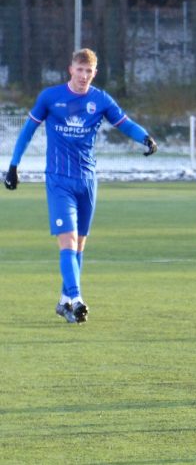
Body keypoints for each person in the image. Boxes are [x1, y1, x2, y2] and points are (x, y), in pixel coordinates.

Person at [3, 48, 157, 324]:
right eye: (80, 69)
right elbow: (27, 132)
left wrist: (145, 138)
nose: (84, 75)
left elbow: (125, 123)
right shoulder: (50, 97)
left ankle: (64, 302)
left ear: (94, 73)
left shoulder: (101, 100)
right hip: (59, 180)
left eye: (89, 71)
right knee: (68, 242)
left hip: (87, 181)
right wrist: (13, 165)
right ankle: (77, 299)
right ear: (70, 69)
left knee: (80, 246)